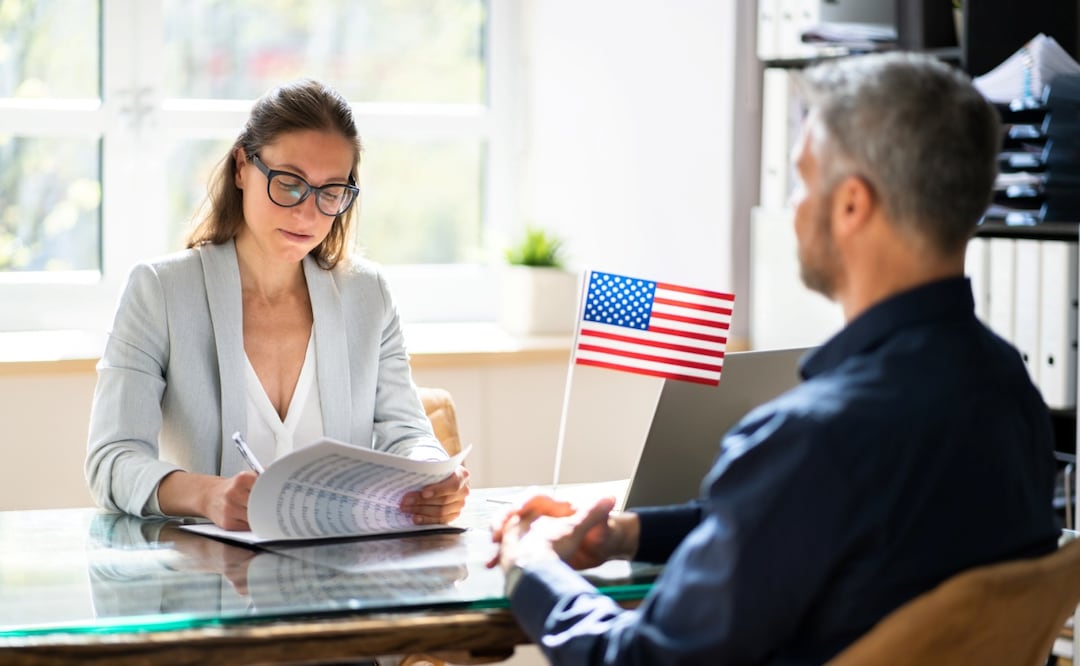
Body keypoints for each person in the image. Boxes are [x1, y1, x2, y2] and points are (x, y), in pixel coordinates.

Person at [489, 52, 1060, 664]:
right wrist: (630, 533)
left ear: (850, 205)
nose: (792, 206)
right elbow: (815, 527)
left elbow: (638, 661)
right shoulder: (1013, 393)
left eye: (801, 179)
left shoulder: (813, 440)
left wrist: (531, 568)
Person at [86, 79, 468, 531]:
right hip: (209, 578)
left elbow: (407, 432)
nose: (307, 214)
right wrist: (207, 495)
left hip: (342, 577)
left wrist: (434, 474)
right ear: (242, 168)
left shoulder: (369, 295)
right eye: (289, 184)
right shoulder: (160, 291)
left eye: (331, 193)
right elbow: (111, 461)